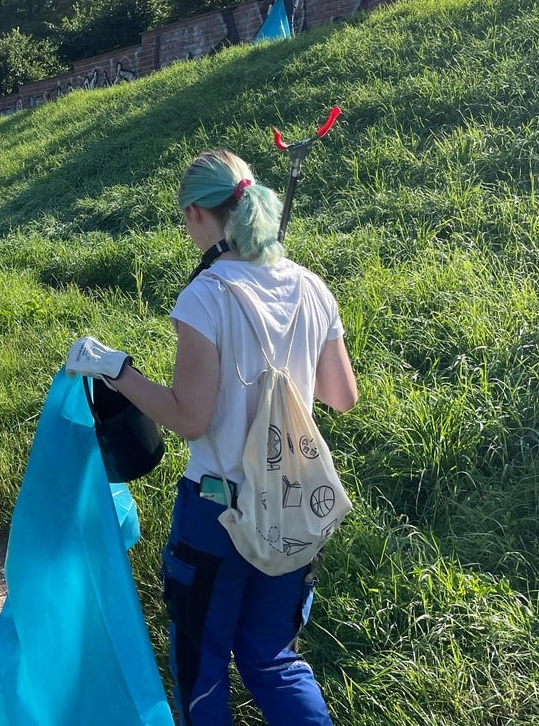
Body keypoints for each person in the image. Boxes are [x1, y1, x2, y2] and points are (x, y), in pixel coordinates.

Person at [65, 149, 358, 725]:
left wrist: (116, 370)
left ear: (198, 215)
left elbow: (189, 418)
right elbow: (341, 395)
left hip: (216, 513)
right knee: (272, 658)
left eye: (183, 217)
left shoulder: (207, 295)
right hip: (292, 509)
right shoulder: (311, 287)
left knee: (202, 667)